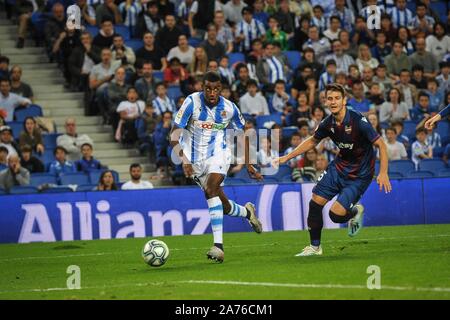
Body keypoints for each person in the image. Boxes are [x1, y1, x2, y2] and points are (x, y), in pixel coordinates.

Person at [273, 83, 391, 256]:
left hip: (360, 174)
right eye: (330, 99)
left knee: (335, 215)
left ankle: (355, 211)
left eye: (337, 98)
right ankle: (315, 247)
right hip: (339, 167)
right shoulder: (327, 123)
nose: (333, 102)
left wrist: (383, 172)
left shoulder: (359, 121)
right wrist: (286, 157)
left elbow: (381, 144)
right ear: (326, 102)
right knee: (315, 203)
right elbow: (313, 141)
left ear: (344, 100)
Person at [170, 71, 263, 262]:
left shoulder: (229, 108)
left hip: (219, 154)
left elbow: (243, 134)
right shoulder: (191, 102)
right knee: (224, 205)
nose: (212, 92)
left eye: (216, 89)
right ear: (202, 87)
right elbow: (173, 133)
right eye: (208, 88)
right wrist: (185, 160)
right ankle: (247, 212)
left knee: (210, 190)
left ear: (222, 89)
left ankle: (218, 246)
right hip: (194, 160)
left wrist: (248, 163)